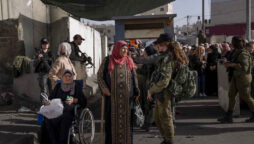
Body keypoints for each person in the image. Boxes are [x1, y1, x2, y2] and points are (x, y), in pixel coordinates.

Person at [97, 40, 140, 144]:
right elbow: (99, 76)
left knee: (127, 124)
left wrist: (137, 91)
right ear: (117, 48)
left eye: (126, 49)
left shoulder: (129, 60)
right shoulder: (107, 60)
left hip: (127, 100)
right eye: (122, 48)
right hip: (112, 99)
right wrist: (104, 88)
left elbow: (134, 77)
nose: (125, 50)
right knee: (111, 124)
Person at [147, 42, 188, 144]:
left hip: (165, 92)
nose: (159, 47)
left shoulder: (169, 59)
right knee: (157, 117)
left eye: (161, 46)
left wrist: (151, 90)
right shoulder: (166, 58)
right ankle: (166, 138)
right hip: (161, 91)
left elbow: (165, 81)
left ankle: (169, 140)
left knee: (165, 116)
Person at [218, 36, 254, 123]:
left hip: (243, 78)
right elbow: (234, 61)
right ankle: (229, 116)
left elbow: (244, 68)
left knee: (246, 97)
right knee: (231, 95)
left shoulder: (243, 54)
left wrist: (232, 65)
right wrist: (227, 61)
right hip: (236, 77)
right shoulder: (236, 52)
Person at [45, 70, 87, 144]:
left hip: (69, 111)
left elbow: (83, 101)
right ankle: (53, 141)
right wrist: (48, 102)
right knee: (47, 118)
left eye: (69, 76)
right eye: (65, 76)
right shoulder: (58, 86)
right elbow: (51, 98)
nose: (67, 78)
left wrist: (74, 100)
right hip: (57, 109)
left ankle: (62, 141)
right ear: (62, 77)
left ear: (72, 77)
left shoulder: (76, 86)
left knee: (65, 118)